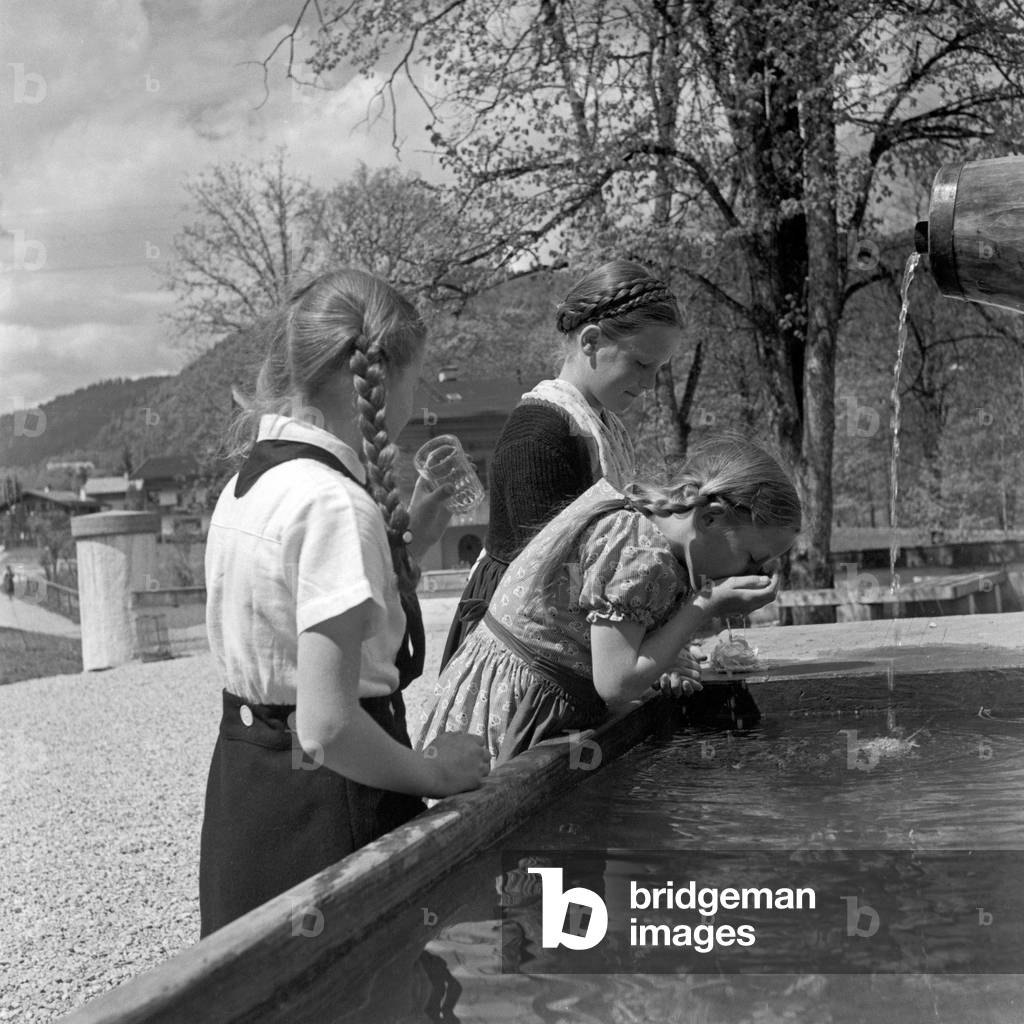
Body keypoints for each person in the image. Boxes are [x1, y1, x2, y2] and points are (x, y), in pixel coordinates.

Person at [199, 268, 490, 937]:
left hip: (251, 796)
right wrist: (437, 773)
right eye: (416, 384)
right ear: (381, 381)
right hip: (333, 807)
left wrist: (404, 549)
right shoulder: (335, 504)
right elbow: (327, 727)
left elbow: (293, 621)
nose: (415, 407)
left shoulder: (252, 481)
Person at [420, 436, 801, 766]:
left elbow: (612, 637)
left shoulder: (647, 533)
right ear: (712, 519)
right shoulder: (642, 552)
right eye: (754, 558)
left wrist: (664, 659)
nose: (757, 572)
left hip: (523, 694)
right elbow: (616, 683)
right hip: (515, 708)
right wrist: (705, 605)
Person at [439, 259, 683, 669]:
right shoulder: (540, 434)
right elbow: (550, 576)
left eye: (659, 369)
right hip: (525, 647)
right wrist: (632, 654)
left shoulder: (600, 427)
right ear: (590, 342)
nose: (650, 385)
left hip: (569, 629)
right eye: (642, 364)